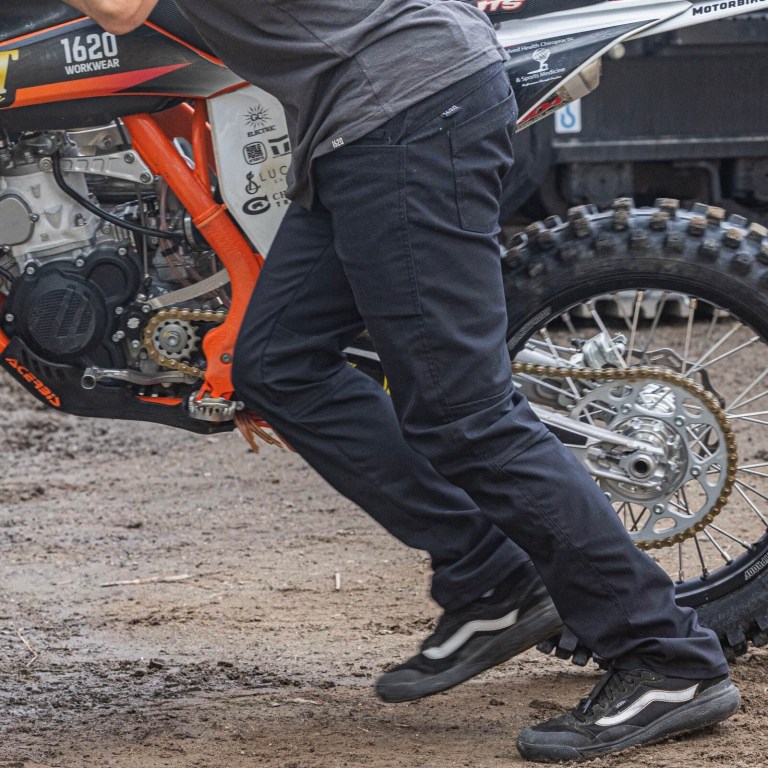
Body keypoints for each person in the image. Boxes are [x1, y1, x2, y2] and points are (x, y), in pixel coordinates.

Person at [66, 0, 740, 761]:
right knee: (278, 363)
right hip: (362, 120)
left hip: (402, 112)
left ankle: (666, 657)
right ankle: (491, 577)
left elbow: (118, 8)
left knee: (465, 414)